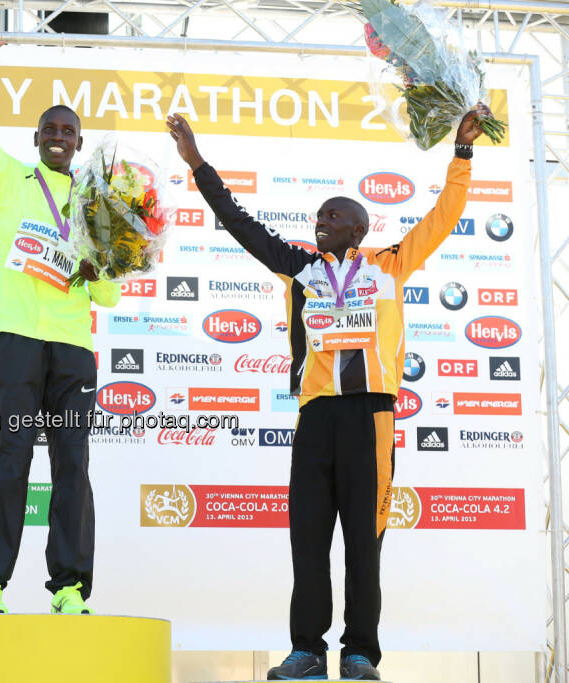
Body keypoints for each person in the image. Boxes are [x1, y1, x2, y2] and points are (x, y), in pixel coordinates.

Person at [168, 105, 489, 680]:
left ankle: (360, 651)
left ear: (359, 230)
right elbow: (240, 224)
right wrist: (198, 164)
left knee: (364, 543)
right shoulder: (300, 269)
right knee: (308, 540)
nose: (320, 220)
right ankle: (307, 649)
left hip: (371, 419)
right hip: (315, 418)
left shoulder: (390, 265)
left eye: (333, 215)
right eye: (319, 215)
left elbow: (444, 216)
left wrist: (461, 154)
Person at [0, 39, 121, 615]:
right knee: (6, 457)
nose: (58, 135)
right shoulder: (8, 178)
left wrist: (100, 267)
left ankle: (70, 586)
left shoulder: (98, 203)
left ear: (79, 142)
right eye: (49, 127)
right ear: (35, 138)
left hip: (73, 347)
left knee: (72, 462)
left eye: (68, 130)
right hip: (16, 339)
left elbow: (109, 293)